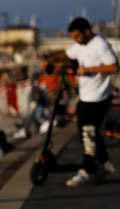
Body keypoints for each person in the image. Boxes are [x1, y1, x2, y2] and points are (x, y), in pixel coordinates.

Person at [45, 17, 118, 186]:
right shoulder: (80, 45)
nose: (76, 40)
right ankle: (104, 163)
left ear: (87, 31)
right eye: (73, 38)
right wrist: (51, 60)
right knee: (87, 132)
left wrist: (89, 70)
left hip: (99, 97)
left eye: (78, 36)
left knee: (88, 133)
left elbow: (114, 67)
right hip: (85, 97)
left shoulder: (101, 44)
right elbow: (68, 53)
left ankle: (87, 170)